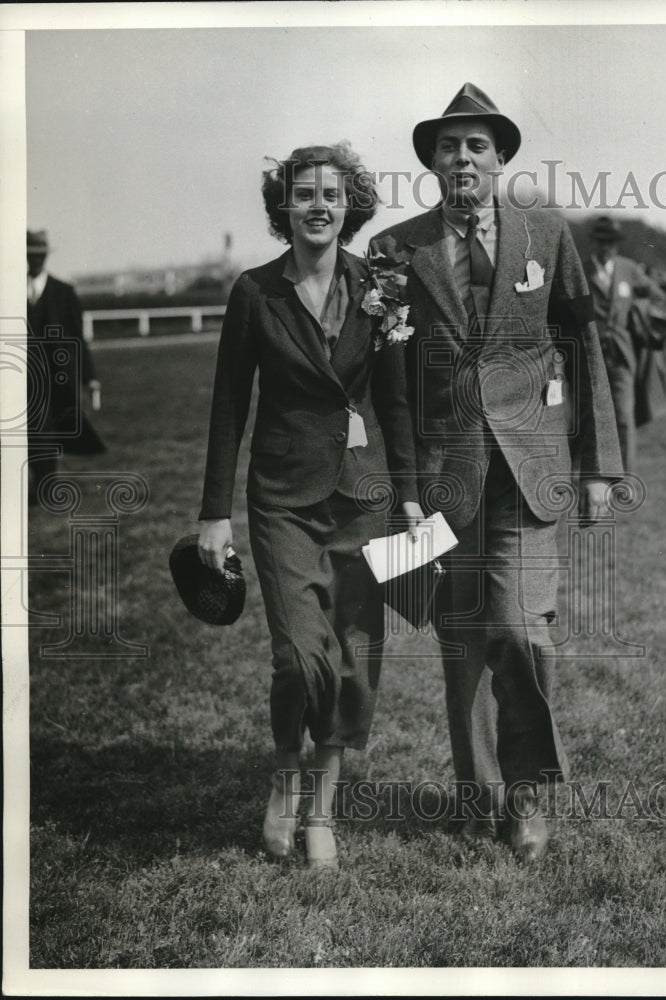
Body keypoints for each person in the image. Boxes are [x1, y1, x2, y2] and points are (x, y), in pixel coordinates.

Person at [369, 83, 622, 860]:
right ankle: (478, 798)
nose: (462, 158)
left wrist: (599, 465)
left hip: (532, 463)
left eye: (476, 145)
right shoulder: (394, 248)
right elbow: (390, 384)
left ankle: (529, 794)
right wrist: (404, 491)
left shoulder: (547, 233)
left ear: (500, 156)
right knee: (462, 639)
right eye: (449, 147)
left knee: (517, 629)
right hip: (443, 475)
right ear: (432, 163)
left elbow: (585, 346)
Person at [197, 143, 422, 869]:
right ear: (283, 208)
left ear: (350, 205)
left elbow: (395, 399)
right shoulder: (253, 292)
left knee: (353, 661)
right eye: (303, 194)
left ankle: (321, 812)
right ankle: (284, 776)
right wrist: (213, 512)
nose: (318, 205)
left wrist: (413, 496)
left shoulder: (383, 283)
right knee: (301, 657)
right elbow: (229, 405)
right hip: (282, 497)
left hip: (365, 496)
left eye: (331, 193)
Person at [583, 216, 666, 474]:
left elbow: (657, 295)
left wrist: (638, 311)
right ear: (594, 241)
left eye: (611, 242)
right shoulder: (581, 269)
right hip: (589, 357)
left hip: (622, 355)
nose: (606, 246)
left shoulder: (628, 269)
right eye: (601, 241)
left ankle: (623, 478)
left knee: (623, 417)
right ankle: (594, 475)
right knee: (591, 418)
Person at [26, 229, 104, 504]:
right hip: (21, 378)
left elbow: (78, 339)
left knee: (46, 430)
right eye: (30, 254)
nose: (34, 259)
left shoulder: (63, 292)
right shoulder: (10, 289)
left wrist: (89, 377)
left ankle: (45, 486)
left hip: (56, 380)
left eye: (39, 254)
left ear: (46, 255)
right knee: (26, 432)